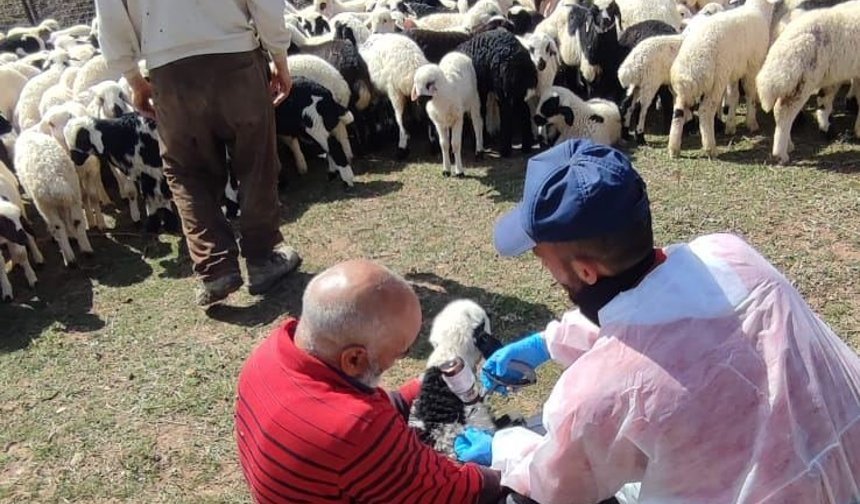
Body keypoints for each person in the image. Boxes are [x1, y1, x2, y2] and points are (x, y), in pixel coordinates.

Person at [455, 139, 860, 504]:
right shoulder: (733, 255)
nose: (544, 267)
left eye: (542, 258)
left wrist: (503, 449)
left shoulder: (596, 395)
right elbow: (667, 316)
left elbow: (555, 487)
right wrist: (549, 341)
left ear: (586, 273)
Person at [234, 259, 504, 503]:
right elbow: (464, 492)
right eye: (401, 351)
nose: (402, 356)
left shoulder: (268, 355)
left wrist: (432, 383)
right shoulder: (356, 430)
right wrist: (519, 459)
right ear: (353, 359)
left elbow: (371, 411)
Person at [95, 0, 301, 306]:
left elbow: (110, 12)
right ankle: (263, 256)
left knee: (186, 170)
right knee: (256, 158)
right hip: (236, 56)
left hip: (169, 70)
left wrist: (133, 78)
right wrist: (280, 56)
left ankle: (215, 267)